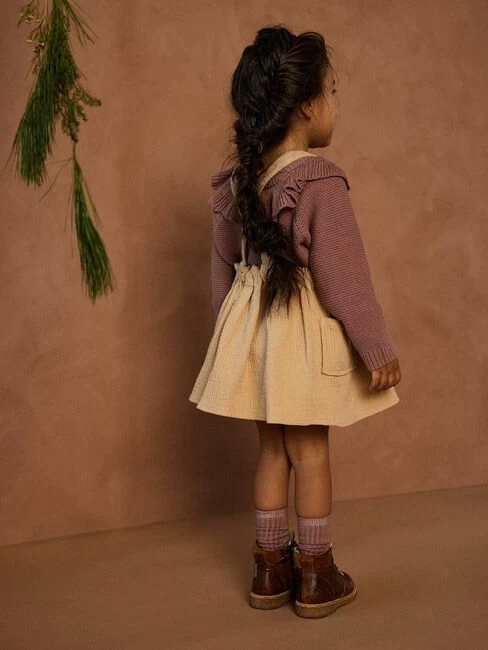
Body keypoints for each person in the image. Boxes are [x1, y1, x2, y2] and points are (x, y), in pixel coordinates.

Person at [188, 25, 402, 619]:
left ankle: (268, 568)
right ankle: (315, 572)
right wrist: (376, 346)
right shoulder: (318, 181)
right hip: (299, 338)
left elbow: (223, 269)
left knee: (271, 452)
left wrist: (228, 344)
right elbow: (344, 275)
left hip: (255, 340)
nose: (334, 104)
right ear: (306, 105)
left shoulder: (239, 183)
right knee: (310, 452)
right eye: (331, 91)